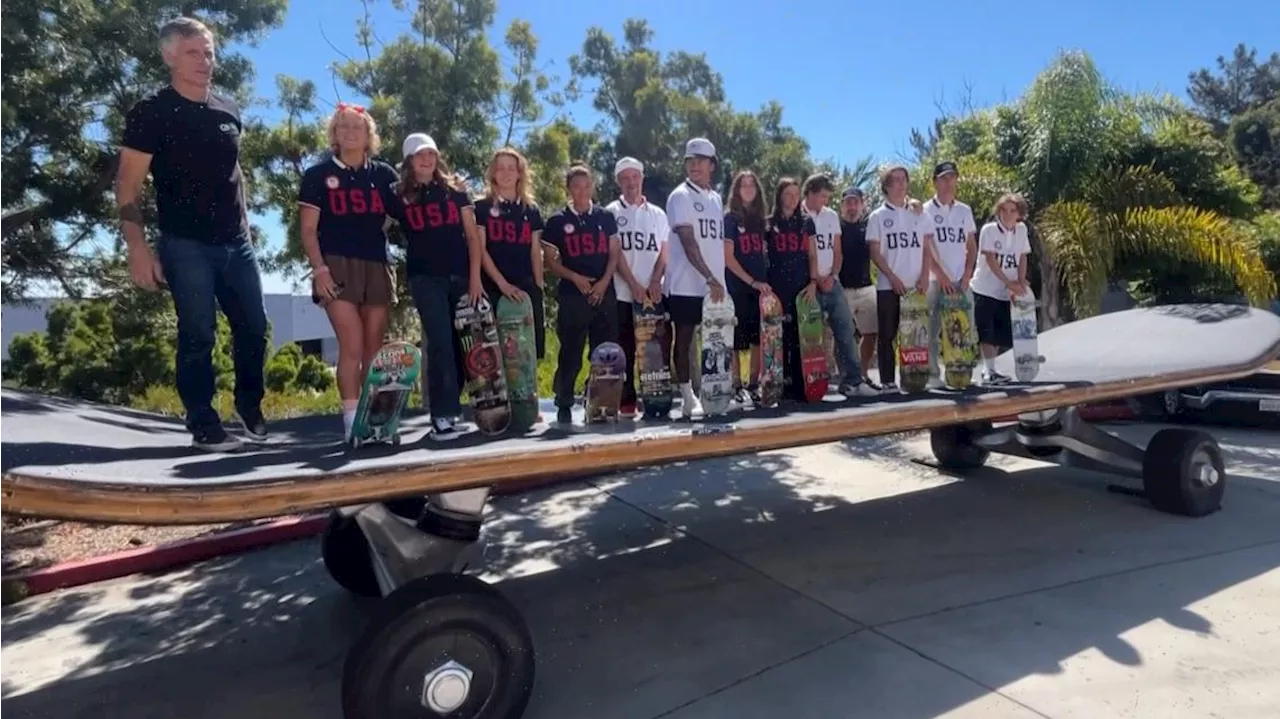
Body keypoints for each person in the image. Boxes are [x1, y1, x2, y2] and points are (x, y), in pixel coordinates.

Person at [115, 17, 268, 453]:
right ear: (169, 56)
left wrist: (248, 229)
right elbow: (127, 185)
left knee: (254, 328)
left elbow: (235, 176)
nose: (205, 61)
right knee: (199, 333)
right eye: (193, 53)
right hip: (185, 244)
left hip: (236, 242)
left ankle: (249, 405)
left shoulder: (228, 109)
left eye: (209, 52)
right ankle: (203, 422)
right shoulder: (152, 112)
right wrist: (138, 248)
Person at [297, 103, 400, 441]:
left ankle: (376, 421)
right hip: (336, 265)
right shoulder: (317, 176)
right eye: (343, 126)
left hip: (376, 265)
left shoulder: (384, 176)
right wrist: (319, 270)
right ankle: (352, 421)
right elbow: (308, 230)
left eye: (357, 127)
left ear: (369, 134)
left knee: (375, 349)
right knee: (351, 345)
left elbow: (408, 209)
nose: (350, 132)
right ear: (334, 134)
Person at [398, 132, 484, 441]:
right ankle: (441, 415)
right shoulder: (399, 195)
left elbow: (472, 237)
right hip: (425, 278)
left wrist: (475, 278)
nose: (426, 159)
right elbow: (376, 225)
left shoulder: (455, 191)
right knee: (440, 344)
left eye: (431, 153)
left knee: (464, 345)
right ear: (410, 160)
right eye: (420, 154)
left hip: (460, 276)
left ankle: (453, 409)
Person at [543, 164, 622, 425]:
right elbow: (551, 261)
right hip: (572, 295)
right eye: (576, 186)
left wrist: (603, 283)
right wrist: (575, 277)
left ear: (593, 187)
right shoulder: (557, 221)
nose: (582, 191)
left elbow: (614, 254)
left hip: (604, 294)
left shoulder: (606, 217)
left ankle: (599, 401)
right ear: (569, 188)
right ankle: (564, 401)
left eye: (586, 185)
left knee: (604, 352)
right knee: (571, 352)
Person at [663, 138, 728, 419]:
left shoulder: (715, 198)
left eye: (701, 160)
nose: (695, 165)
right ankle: (687, 397)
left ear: (712, 165)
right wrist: (710, 277)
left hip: (714, 284)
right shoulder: (680, 196)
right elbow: (689, 244)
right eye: (691, 160)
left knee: (715, 341)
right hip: (685, 283)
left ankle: (714, 393)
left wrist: (717, 280)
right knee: (685, 338)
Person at [799, 174, 877, 398]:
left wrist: (832, 275)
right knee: (809, 338)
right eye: (823, 196)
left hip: (831, 282)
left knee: (845, 331)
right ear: (811, 192)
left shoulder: (831, 216)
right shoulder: (799, 215)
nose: (825, 201)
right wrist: (813, 281)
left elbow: (837, 251)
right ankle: (808, 384)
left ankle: (853, 380)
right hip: (807, 285)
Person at [604, 157, 668, 418]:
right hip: (622, 293)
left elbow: (664, 252)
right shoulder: (610, 212)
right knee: (626, 348)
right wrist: (632, 284)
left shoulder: (658, 214)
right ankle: (627, 401)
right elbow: (614, 253)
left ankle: (656, 399)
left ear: (642, 179)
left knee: (654, 349)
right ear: (618, 181)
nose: (631, 182)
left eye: (635, 177)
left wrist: (654, 281)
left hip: (652, 295)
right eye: (625, 178)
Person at [865, 164, 934, 391]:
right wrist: (892, 278)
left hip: (916, 287)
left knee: (916, 335)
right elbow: (875, 252)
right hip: (889, 286)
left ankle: (914, 379)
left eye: (903, 179)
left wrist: (925, 275)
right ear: (886, 185)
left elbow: (926, 248)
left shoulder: (918, 213)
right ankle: (887, 381)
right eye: (895, 180)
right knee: (887, 335)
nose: (900, 183)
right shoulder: (877, 216)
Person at [474, 147, 546, 363]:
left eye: (511, 168)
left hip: (525, 286)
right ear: (493, 173)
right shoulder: (481, 207)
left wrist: (539, 287)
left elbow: (536, 252)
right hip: (494, 287)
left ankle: (526, 396)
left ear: (519, 173)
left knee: (527, 351)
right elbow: (480, 250)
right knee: (495, 352)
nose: (506, 173)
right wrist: (502, 284)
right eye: (500, 168)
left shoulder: (531, 210)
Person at [921, 161, 978, 389]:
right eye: (943, 178)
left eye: (952, 177)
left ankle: (962, 372)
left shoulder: (964, 210)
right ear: (935, 181)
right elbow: (925, 247)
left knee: (965, 329)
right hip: (936, 281)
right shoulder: (925, 210)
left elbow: (971, 245)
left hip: (960, 281)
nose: (948, 183)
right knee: (933, 329)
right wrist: (940, 275)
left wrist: (966, 274)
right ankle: (933, 375)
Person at [970, 193, 1031, 385]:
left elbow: (1022, 256)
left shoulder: (1021, 230)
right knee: (986, 333)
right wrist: (1008, 283)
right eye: (1004, 210)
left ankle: (992, 371)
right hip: (985, 288)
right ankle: (988, 372)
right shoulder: (989, 230)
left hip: (1005, 292)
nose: (1007, 214)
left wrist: (1021, 281)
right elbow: (991, 260)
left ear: (1019, 214)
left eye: (1012, 210)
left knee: (997, 333)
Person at [722, 170, 771, 404]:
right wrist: (750, 281)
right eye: (744, 185)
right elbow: (728, 258)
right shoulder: (730, 219)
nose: (749, 188)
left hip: (760, 287)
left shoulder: (761, 221)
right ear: (737, 190)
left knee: (757, 339)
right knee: (736, 338)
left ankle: (754, 383)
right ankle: (736, 384)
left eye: (752, 184)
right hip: (738, 285)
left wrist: (761, 282)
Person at [764, 178, 813, 402]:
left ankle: (801, 386)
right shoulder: (768, 224)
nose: (792, 199)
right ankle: (778, 385)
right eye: (787, 194)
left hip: (801, 287)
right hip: (777, 288)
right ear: (779, 196)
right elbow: (763, 256)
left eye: (795, 194)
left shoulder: (806, 222)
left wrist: (813, 282)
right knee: (777, 339)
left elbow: (812, 255)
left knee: (798, 338)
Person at [837, 187, 879, 386]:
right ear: (842, 206)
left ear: (862, 205)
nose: (852, 207)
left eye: (855, 203)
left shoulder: (870, 226)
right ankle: (845, 375)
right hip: (842, 289)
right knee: (842, 335)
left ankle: (862, 374)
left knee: (870, 333)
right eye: (848, 203)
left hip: (866, 287)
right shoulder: (835, 227)